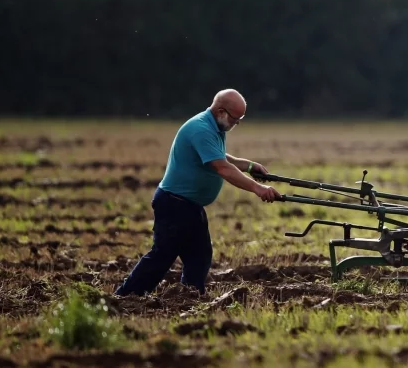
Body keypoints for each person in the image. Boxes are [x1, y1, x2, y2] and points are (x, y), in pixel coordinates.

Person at [114, 89, 284, 296]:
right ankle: (125, 296)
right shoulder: (201, 128)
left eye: (240, 119)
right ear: (221, 111)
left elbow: (218, 154)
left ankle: (190, 295)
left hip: (190, 206)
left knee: (200, 255)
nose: (236, 123)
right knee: (162, 256)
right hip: (174, 204)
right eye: (235, 118)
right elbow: (221, 167)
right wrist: (257, 188)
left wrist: (247, 165)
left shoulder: (213, 127)